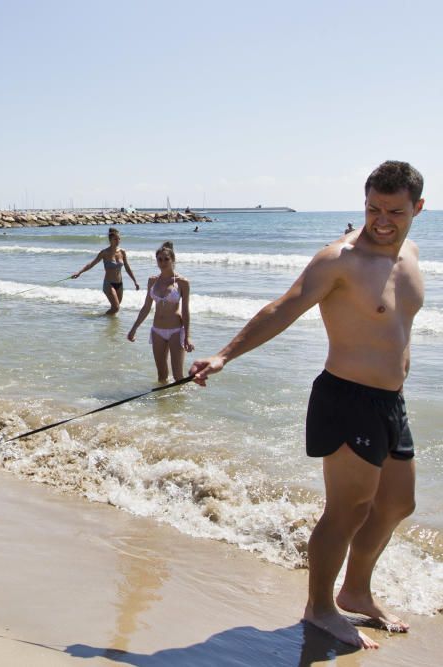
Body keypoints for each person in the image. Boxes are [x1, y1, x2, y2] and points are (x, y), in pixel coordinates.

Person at [189, 161, 425, 650]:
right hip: (347, 398)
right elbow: (283, 307)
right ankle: (320, 608)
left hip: (391, 402)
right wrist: (224, 355)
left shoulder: (413, 255)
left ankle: (356, 591)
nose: (382, 220)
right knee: (348, 509)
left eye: (394, 211)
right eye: (373, 208)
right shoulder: (339, 260)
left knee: (399, 503)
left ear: (417, 209)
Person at [127, 242, 194, 382]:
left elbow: (186, 311)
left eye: (166, 259)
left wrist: (187, 336)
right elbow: (146, 307)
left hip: (176, 330)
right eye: (160, 259)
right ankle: (162, 403)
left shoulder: (182, 282)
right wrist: (134, 328)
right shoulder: (152, 281)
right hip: (157, 330)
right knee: (161, 376)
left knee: (178, 376)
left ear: (173, 260)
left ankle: (180, 403)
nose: (162, 262)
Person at [71, 227, 140, 315]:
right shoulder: (104, 253)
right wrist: (79, 272)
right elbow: (91, 264)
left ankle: (111, 326)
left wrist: (135, 281)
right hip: (109, 284)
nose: (118, 240)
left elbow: (127, 267)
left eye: (119, 238)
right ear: (110, 240)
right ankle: (101, 318)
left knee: (115, 308)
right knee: (116, 308)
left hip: (119, 284)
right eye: (115, 239)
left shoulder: (122, 252)